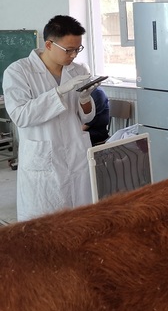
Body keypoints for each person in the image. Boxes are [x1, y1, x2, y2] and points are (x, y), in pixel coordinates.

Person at [2, 15, 99, 221]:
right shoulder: (19, 72)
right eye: (69, 50)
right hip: (43, 159)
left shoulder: (78, 70)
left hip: (75, 153)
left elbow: (86, 116)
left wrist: (85, 99)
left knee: (80, 219)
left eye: (78, 49)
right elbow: (20, 116)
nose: (74, 55)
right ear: (48, 44)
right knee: (45, 222)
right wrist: (58, 93)